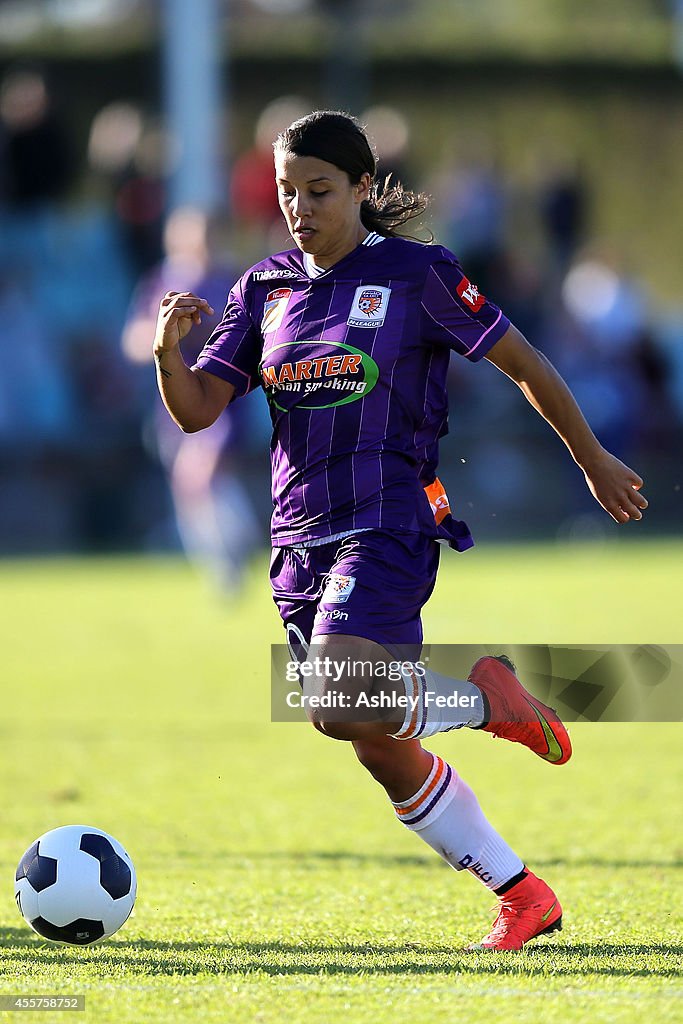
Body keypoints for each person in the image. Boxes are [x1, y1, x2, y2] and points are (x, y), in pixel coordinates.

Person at [152, 111, 648, 951]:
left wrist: (591, 457)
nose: (301, 208)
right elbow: (199, 411)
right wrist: (168, 356)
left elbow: (522, 361)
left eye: (319, 191)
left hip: (386, 517)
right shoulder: (262, 289)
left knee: (340, 699)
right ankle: (520, 892)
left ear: (359, 190)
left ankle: (486, 700)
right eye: (286, 192)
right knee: (365, 734)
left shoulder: (416, 275)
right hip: (295, 537)